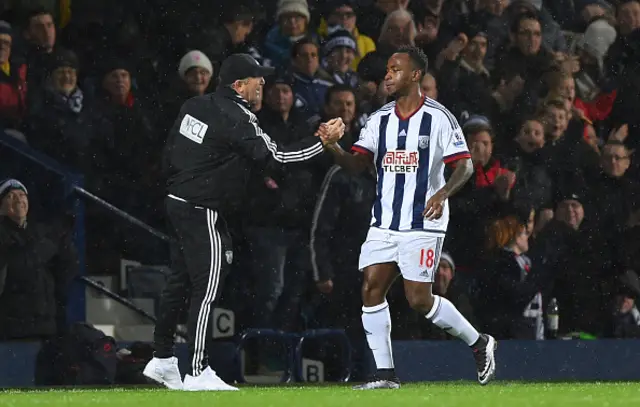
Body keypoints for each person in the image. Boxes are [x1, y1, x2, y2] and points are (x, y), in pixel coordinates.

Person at [142, 53, 345, 392]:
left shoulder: (196, 104)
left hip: (178, 202)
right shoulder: (238, 116)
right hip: (202, 209)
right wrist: (321, 142)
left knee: (180, 282)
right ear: (239, 85)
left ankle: (162, 359)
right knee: (206, 288)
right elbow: (278, 159)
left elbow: (171, 154)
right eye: (257, 81)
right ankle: (196, 370)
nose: (262, 86)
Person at [320, 46, 497, 389]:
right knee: (371, 290)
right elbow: (357, 165)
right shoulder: (378, 119)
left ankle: (479, 343)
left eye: (395, 69)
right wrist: (332, 146)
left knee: (418, 299)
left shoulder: (439, 118)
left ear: (415, 75)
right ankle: (385, 375)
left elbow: (465, 164)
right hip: (384, 221)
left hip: (423, 221)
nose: (387, 75)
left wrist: (443, 193)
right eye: (387, 69)